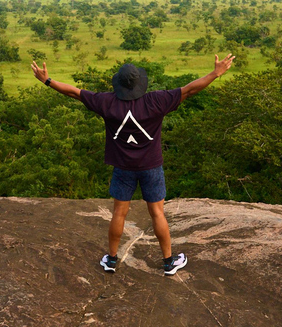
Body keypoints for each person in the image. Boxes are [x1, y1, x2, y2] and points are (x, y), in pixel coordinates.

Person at [31, 54, 234, 275]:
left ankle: (111, 260)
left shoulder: (107, 102)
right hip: (151, 167)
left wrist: (47, 81)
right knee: (157, 213)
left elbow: (74, 93)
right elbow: (189, 90)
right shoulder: (156, 101)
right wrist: (216, 73)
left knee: (119, 213)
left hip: (123, 167)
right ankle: (168, 263)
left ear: (119, 85)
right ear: (140, 84)